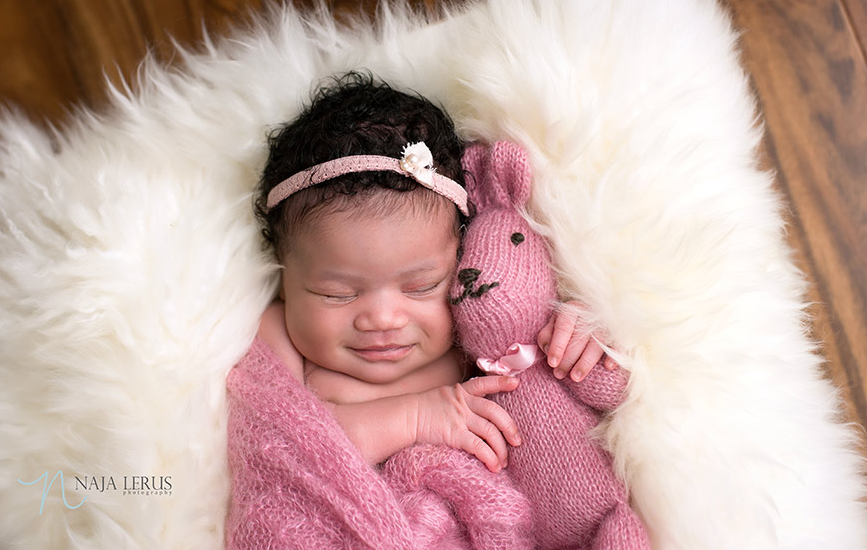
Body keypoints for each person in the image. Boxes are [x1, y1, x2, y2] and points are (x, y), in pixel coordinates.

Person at [250, 71, 614, 473]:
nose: (383, 319)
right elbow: (278, 443)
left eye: (422, 286)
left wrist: (584, 334)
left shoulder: (471, 337)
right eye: (337, 293)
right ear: (284, 276)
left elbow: (544, 357)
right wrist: (417, 418)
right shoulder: (276, 335)